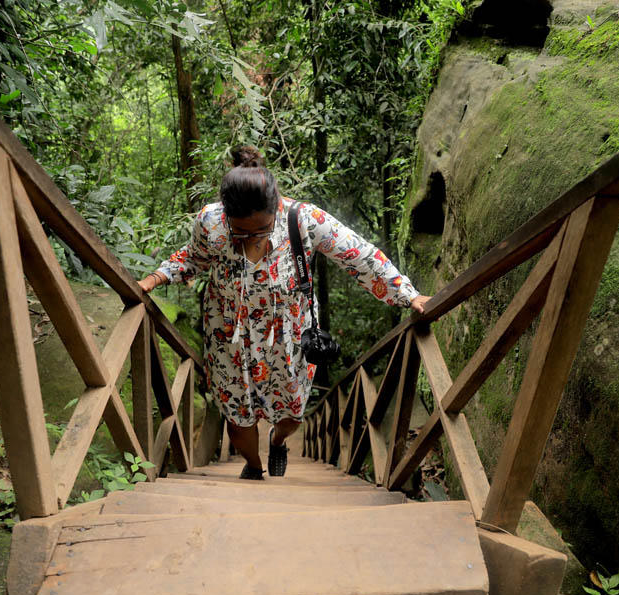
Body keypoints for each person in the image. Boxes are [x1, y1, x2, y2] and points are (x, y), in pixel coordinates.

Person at [137, 146, 429, 480]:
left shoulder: (303, 219)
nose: (250, 239)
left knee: (293, 413)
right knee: (238, 416)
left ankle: (277, 441)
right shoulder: (210, 222)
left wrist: (408, 295)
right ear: (226, 214)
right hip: (229, 338)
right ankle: (254, 466)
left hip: (290, 337)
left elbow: (359, 255)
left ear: (275, 207)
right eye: (241, 232)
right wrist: (156, 277)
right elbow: (193, 257)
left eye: (259, 230)